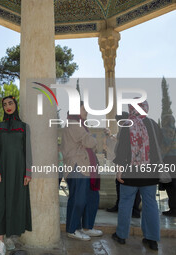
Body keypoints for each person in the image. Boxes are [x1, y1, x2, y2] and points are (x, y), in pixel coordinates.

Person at [112, 100, 161, 251]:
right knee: (150, 204)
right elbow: (161, 145)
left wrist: (119, 170)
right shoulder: (153, 124)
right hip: (150, 172)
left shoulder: (127, 124)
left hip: (130, 172)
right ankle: (152, 239)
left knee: (126, 203)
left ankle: (121, 236)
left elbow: (122, 148)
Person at [0, 96, 32, 255]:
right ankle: (0, 242)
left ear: (16, 105)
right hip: (1, 172)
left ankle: (8, 237)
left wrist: (28, 172)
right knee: (0, 204)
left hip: (19, 172)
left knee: (15, 203)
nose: (8, 106)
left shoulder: (24, 127)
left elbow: (28, 150)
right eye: (5, 104)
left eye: (10, 103)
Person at [61, 101, 103, 241]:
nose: (87, 111)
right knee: (78, 199)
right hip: (77, 166)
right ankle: (72, 229)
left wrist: (92, 140)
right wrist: (94, 139)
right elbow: (90, 143)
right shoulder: (73, 123)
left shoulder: (81, 124)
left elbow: (90, 144)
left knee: (92, 198)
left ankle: (87, 227)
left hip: (86, 167)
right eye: (84, 108)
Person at [106, 113, 141, 218]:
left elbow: (124, 148)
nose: (118, 123)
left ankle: (133, 210)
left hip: (128, 163)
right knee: (122, 185)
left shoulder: (127, 128)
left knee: (128, 186)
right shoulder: (125, 129)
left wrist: (120, 165)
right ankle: (126, 208)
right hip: (128, 163)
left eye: (119, 121)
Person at [160, 114, 176, 217]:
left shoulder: (164, 131)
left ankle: (173, 209)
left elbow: (163, 147)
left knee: (170, 186)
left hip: (168, 160)